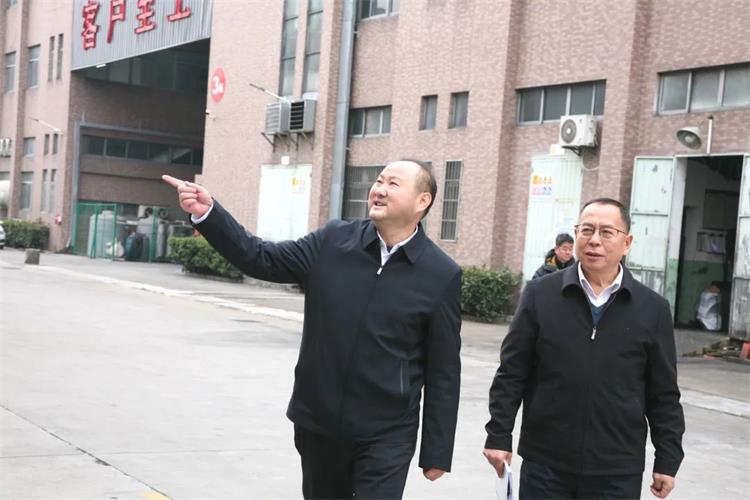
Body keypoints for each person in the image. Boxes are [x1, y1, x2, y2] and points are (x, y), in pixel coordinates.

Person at [163, 159, 462, 499]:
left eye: (393, 184)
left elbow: (443, 370)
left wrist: (437, 451)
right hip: (320, 422)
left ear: (422, 201)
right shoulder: (333, 242)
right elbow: (261, 257)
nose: (379, 190)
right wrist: (209, 215)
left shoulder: (440, 274)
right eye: (379, 181)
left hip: (387, 432)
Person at [483, 198, 685, 499]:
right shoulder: (541, 295)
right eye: (586, 230)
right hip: (546, 463)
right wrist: (499, 434)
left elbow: (663, 393)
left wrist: (667, 459)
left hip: (616, 469)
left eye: (606, 232)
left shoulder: (652, 309)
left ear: (627, 243)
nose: (594, 240)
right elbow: (512, 371)